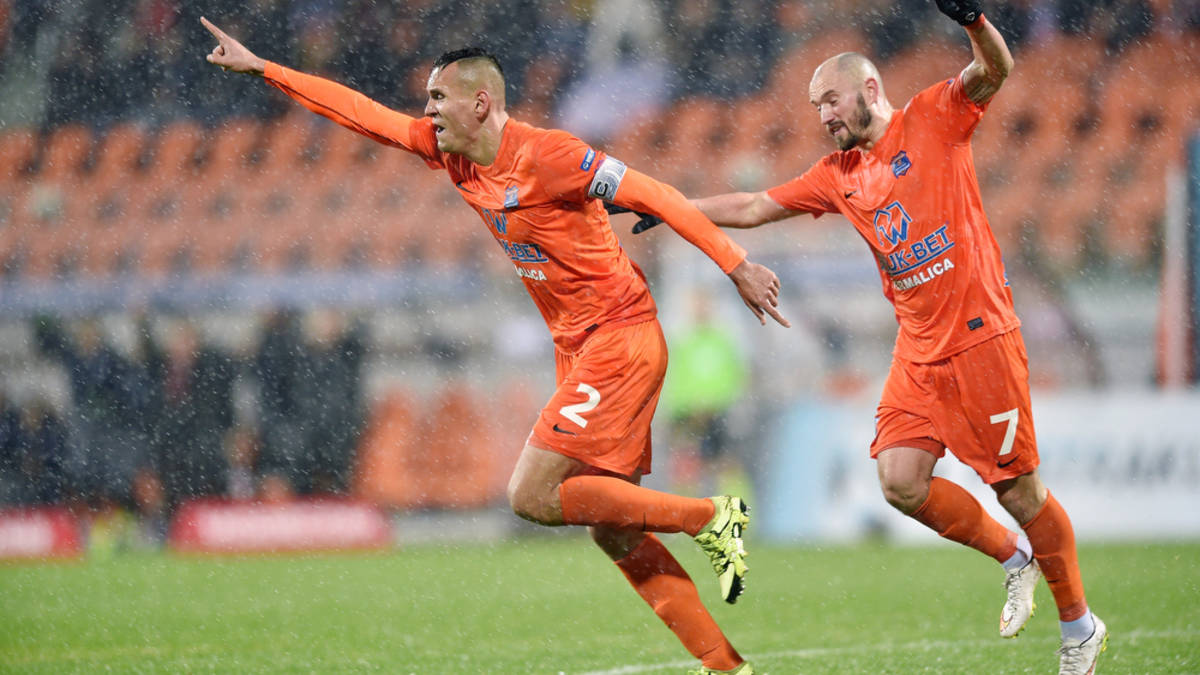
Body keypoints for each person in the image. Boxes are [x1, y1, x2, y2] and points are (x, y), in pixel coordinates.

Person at [202, 17, 790, 675]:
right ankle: (725, 665)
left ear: (480, 103)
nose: (427, 111)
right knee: (614, 528)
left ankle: (709, 515)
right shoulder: (452, 153)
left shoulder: (553, 155)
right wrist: (265, 69)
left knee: (530, 495)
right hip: (583, 349)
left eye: (438, 98)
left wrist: (735, 263)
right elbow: (362, 114)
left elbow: (657, 195)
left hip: (619, 339)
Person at [684, 2, 1106, 673]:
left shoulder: (934, 116)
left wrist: (973, 20)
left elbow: (996, 69)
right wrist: (669, 206)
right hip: (917, 350)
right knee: (901, 482)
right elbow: (755, 206)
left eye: (831, 100)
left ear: (869, 88)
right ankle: (1013, 557)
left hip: (981, 341)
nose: (824, 115)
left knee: (1020, 493)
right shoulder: (838, 174)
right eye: (816, 107)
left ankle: (1080, 626)